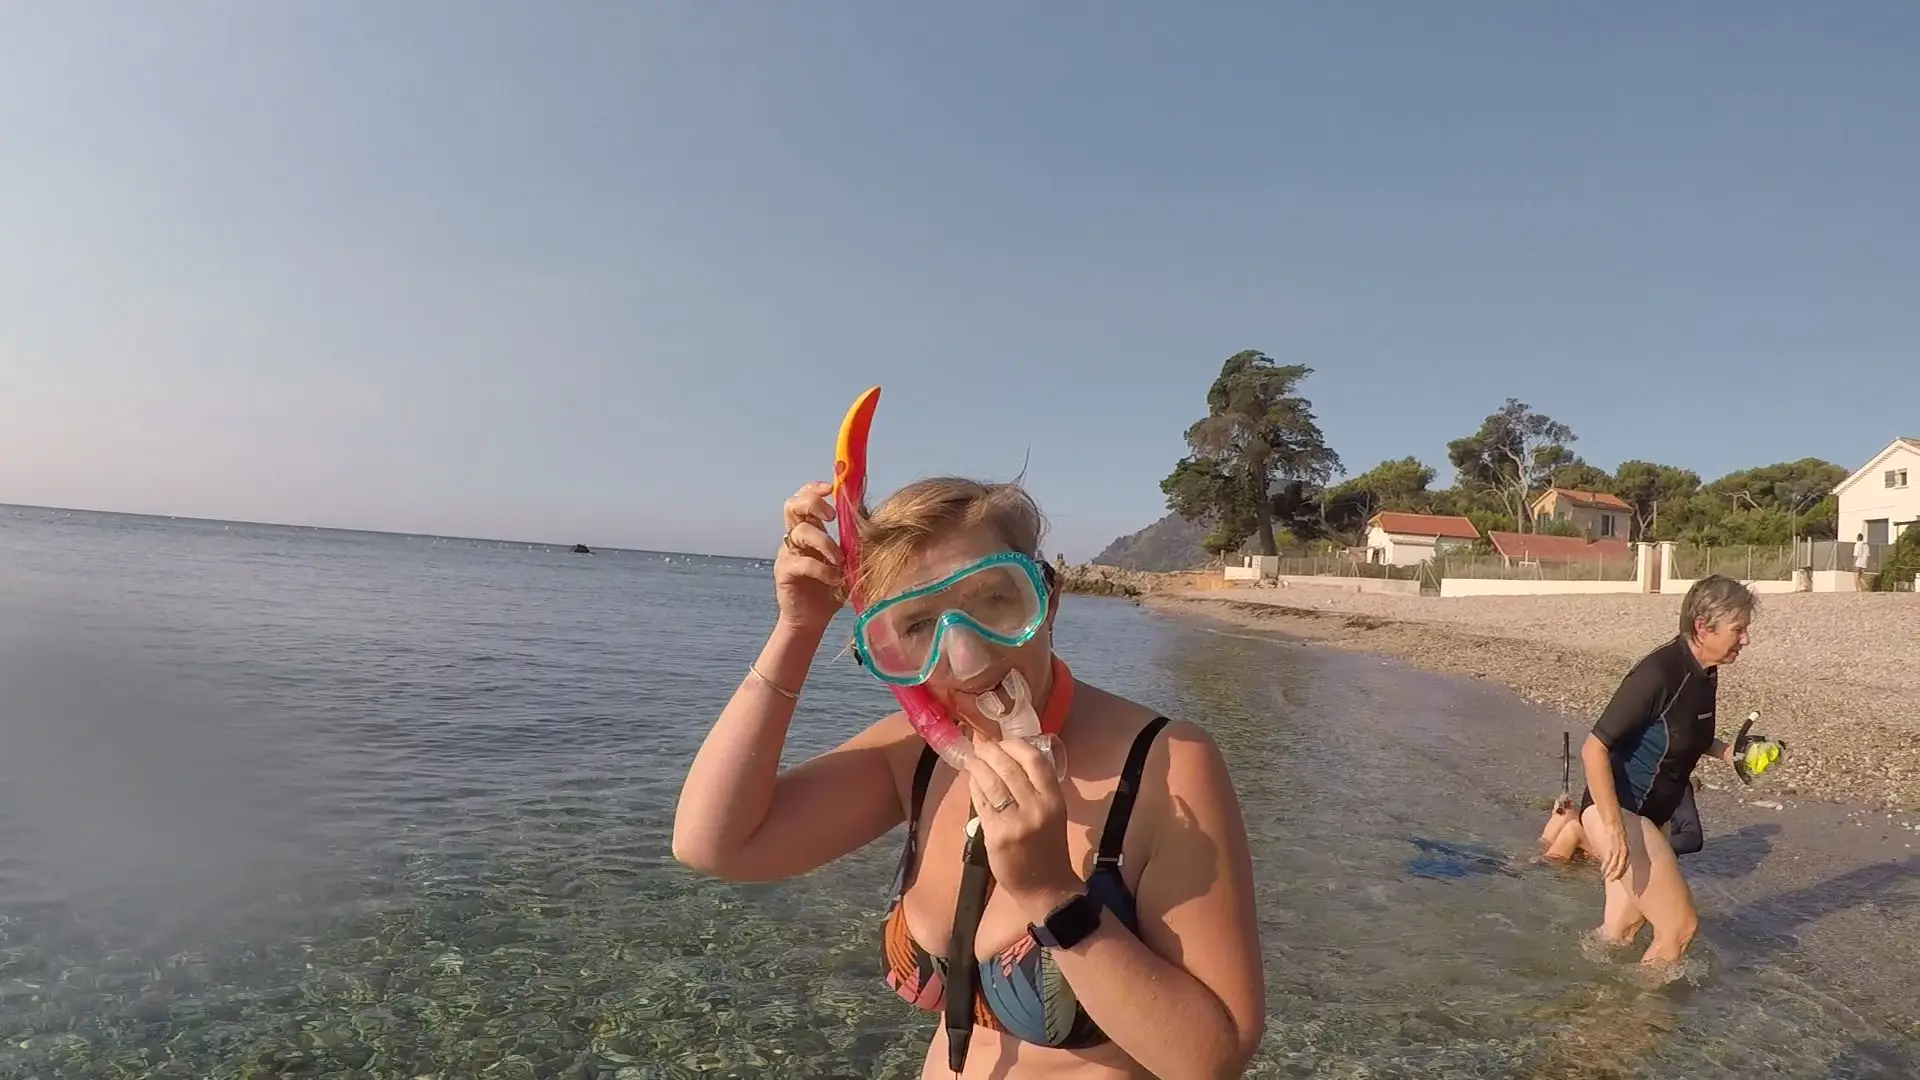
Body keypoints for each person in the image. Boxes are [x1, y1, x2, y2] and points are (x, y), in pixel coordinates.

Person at [673, 477, 1266, 1079]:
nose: (969, 660)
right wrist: (796, 630)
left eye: (994, 600)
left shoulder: (1165, 764)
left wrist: (1051, 894)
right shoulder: (916, 757)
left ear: (1047, 597)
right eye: (916, 626)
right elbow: (715, 843)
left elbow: (1211, 1060)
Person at [1575, 574, 1773, 971]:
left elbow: (1685, 734)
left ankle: (1592, 1012)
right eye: (1739, 629)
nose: (1745, 639)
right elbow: (1593, 748)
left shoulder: (1706, 672)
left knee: (1621, 929)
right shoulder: (1658, 673)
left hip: (1652, 818)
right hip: (1620, 813)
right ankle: (1645, 1024)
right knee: (1679, 929)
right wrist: (1614, 828)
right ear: (1703, 626)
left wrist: (1730, 753)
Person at [1540, 775, 1703, 863]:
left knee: (1573, 829)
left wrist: (1654, 844)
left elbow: (1693, 838)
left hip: (1637, 848)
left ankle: (1545, 866)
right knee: (1564, 815)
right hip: (1615, 832)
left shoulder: (1677, 785)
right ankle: (1538, 854)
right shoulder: (1626, 770)